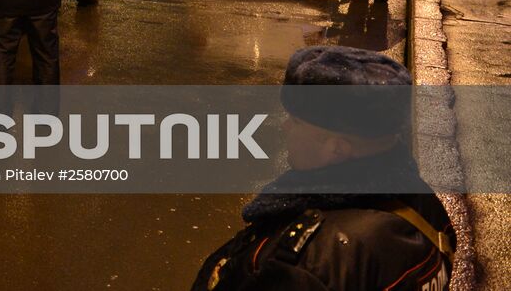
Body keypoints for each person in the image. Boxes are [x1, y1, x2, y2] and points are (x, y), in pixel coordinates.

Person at [192, 45, 453, 290]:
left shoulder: (301, 266)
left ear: (336, 147)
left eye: (296, 121)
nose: (285, 128)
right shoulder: (423, 205)